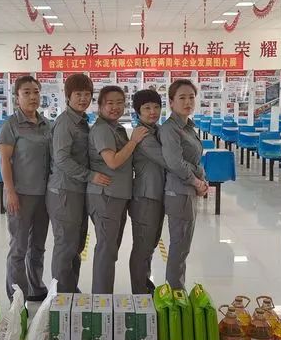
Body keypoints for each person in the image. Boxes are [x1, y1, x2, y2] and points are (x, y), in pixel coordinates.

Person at [47, 73, 111, 293]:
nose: (83, 99)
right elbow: (62, 159)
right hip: (64, 191)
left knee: (76, 244)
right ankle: (61, 296)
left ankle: (70, 290)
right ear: (68, 96)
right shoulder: (65, 122)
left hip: (76, 190)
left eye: (87, 94)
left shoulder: (82, 121)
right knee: (66, 245)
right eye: (78, 94)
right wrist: (90, 176)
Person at [87, 85, 148, 294]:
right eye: (110, 103)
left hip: (117, 196)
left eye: (120, 103)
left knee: (110, 249)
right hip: (106, 196)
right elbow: (112, 162)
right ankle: (101, 300)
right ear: (100, 106)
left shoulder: (116, 128)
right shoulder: (102, 129)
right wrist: (134, 141)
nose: (115, 107)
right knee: (106, 250)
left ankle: (104, 296)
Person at [0, 76, 51, 301]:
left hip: (44, 195)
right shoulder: (10, 125)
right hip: (20, 194)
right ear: (17, 97)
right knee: (19, 247)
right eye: (26, 92)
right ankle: (16, 296)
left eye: (36, 92)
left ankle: (35, 286)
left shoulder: (47, 124)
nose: (32, 97)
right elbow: (4, 161)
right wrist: (10, 192)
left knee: (38, 246)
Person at [159, 79, 208, 290]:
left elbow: (194, 159)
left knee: (183, 245)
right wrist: (197, 181)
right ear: (171, 102)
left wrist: (202, 181)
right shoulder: (170, 129)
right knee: (179, 246)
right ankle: (175, 292)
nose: (188, 102)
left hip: (189, 190)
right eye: (182, 98)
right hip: (178, 192)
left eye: (191, 97)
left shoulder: (188, 127)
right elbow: (174, 163)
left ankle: (176, 289)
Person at [129, 89, 168, 294]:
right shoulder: (143, 134)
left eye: (156, 107)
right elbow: (167, 159)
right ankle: (139, 290)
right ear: (138, 111)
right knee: (143, 246)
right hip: (145, 197)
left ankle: (144, 280)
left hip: (158, 195)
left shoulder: (157, 130)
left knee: (151, 243)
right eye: (147, 108)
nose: (152, 111)